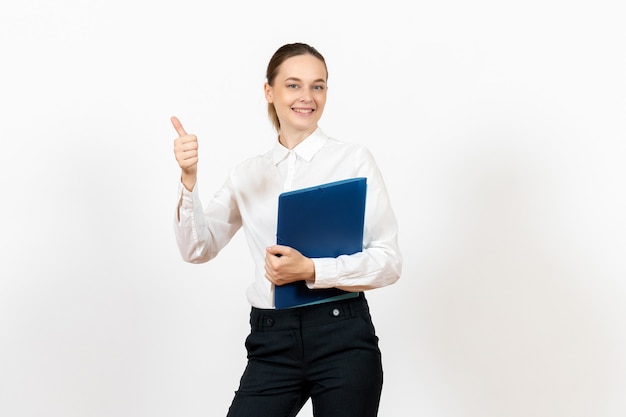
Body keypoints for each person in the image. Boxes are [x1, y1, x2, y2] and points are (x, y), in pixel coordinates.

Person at [171, 42, 402, 417]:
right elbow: (198, 248)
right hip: (271, 340)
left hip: (342, 335)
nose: (307, 97)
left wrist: (312, 270)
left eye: (318, 86)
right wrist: (188, 180)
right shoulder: (248, 173)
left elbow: (389, 261)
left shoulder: (353, 160)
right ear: (269, 91)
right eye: (293, 85)